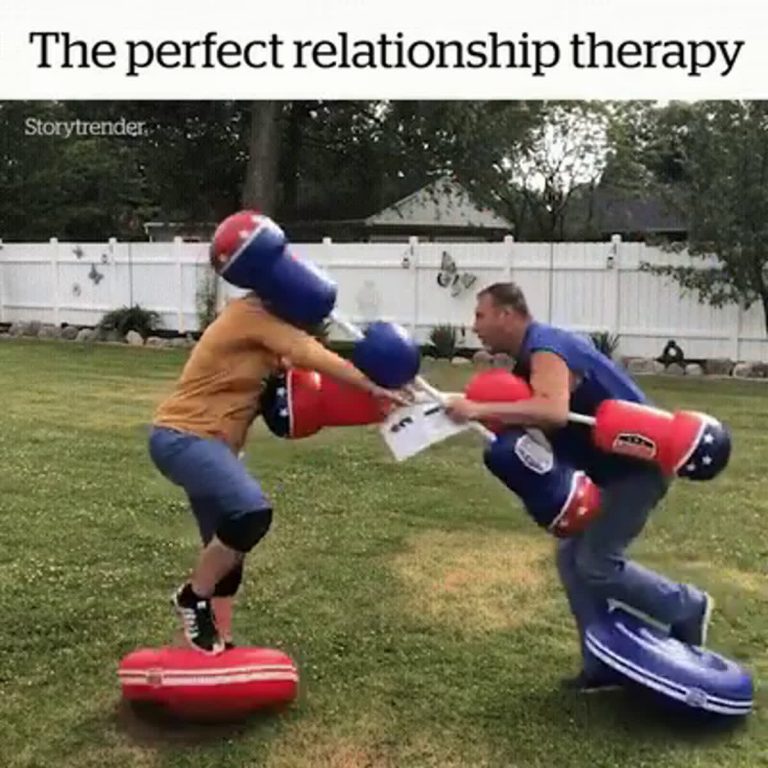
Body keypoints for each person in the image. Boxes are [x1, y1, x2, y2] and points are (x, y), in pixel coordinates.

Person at [444, 282, 713, 692]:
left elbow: (552, 411)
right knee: (572, 560)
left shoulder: (546, 347)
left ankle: (687, 606)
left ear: (506, 314)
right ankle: (601, 663)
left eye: (480, 315)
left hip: (635, 469)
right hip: (608, 471)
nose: (474, 326)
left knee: (595, 563)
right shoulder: (529, 360)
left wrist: (478, 408)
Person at [149, 290, 408, 655]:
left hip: (213, 448)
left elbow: (314, 391)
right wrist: (369, 384)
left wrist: (381, 401)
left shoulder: (265, 336)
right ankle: (192, 598)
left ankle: (211, 648)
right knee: (250, 513)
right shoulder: (252, 312)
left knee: (226, 554)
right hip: (183, 438)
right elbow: (307, 351)